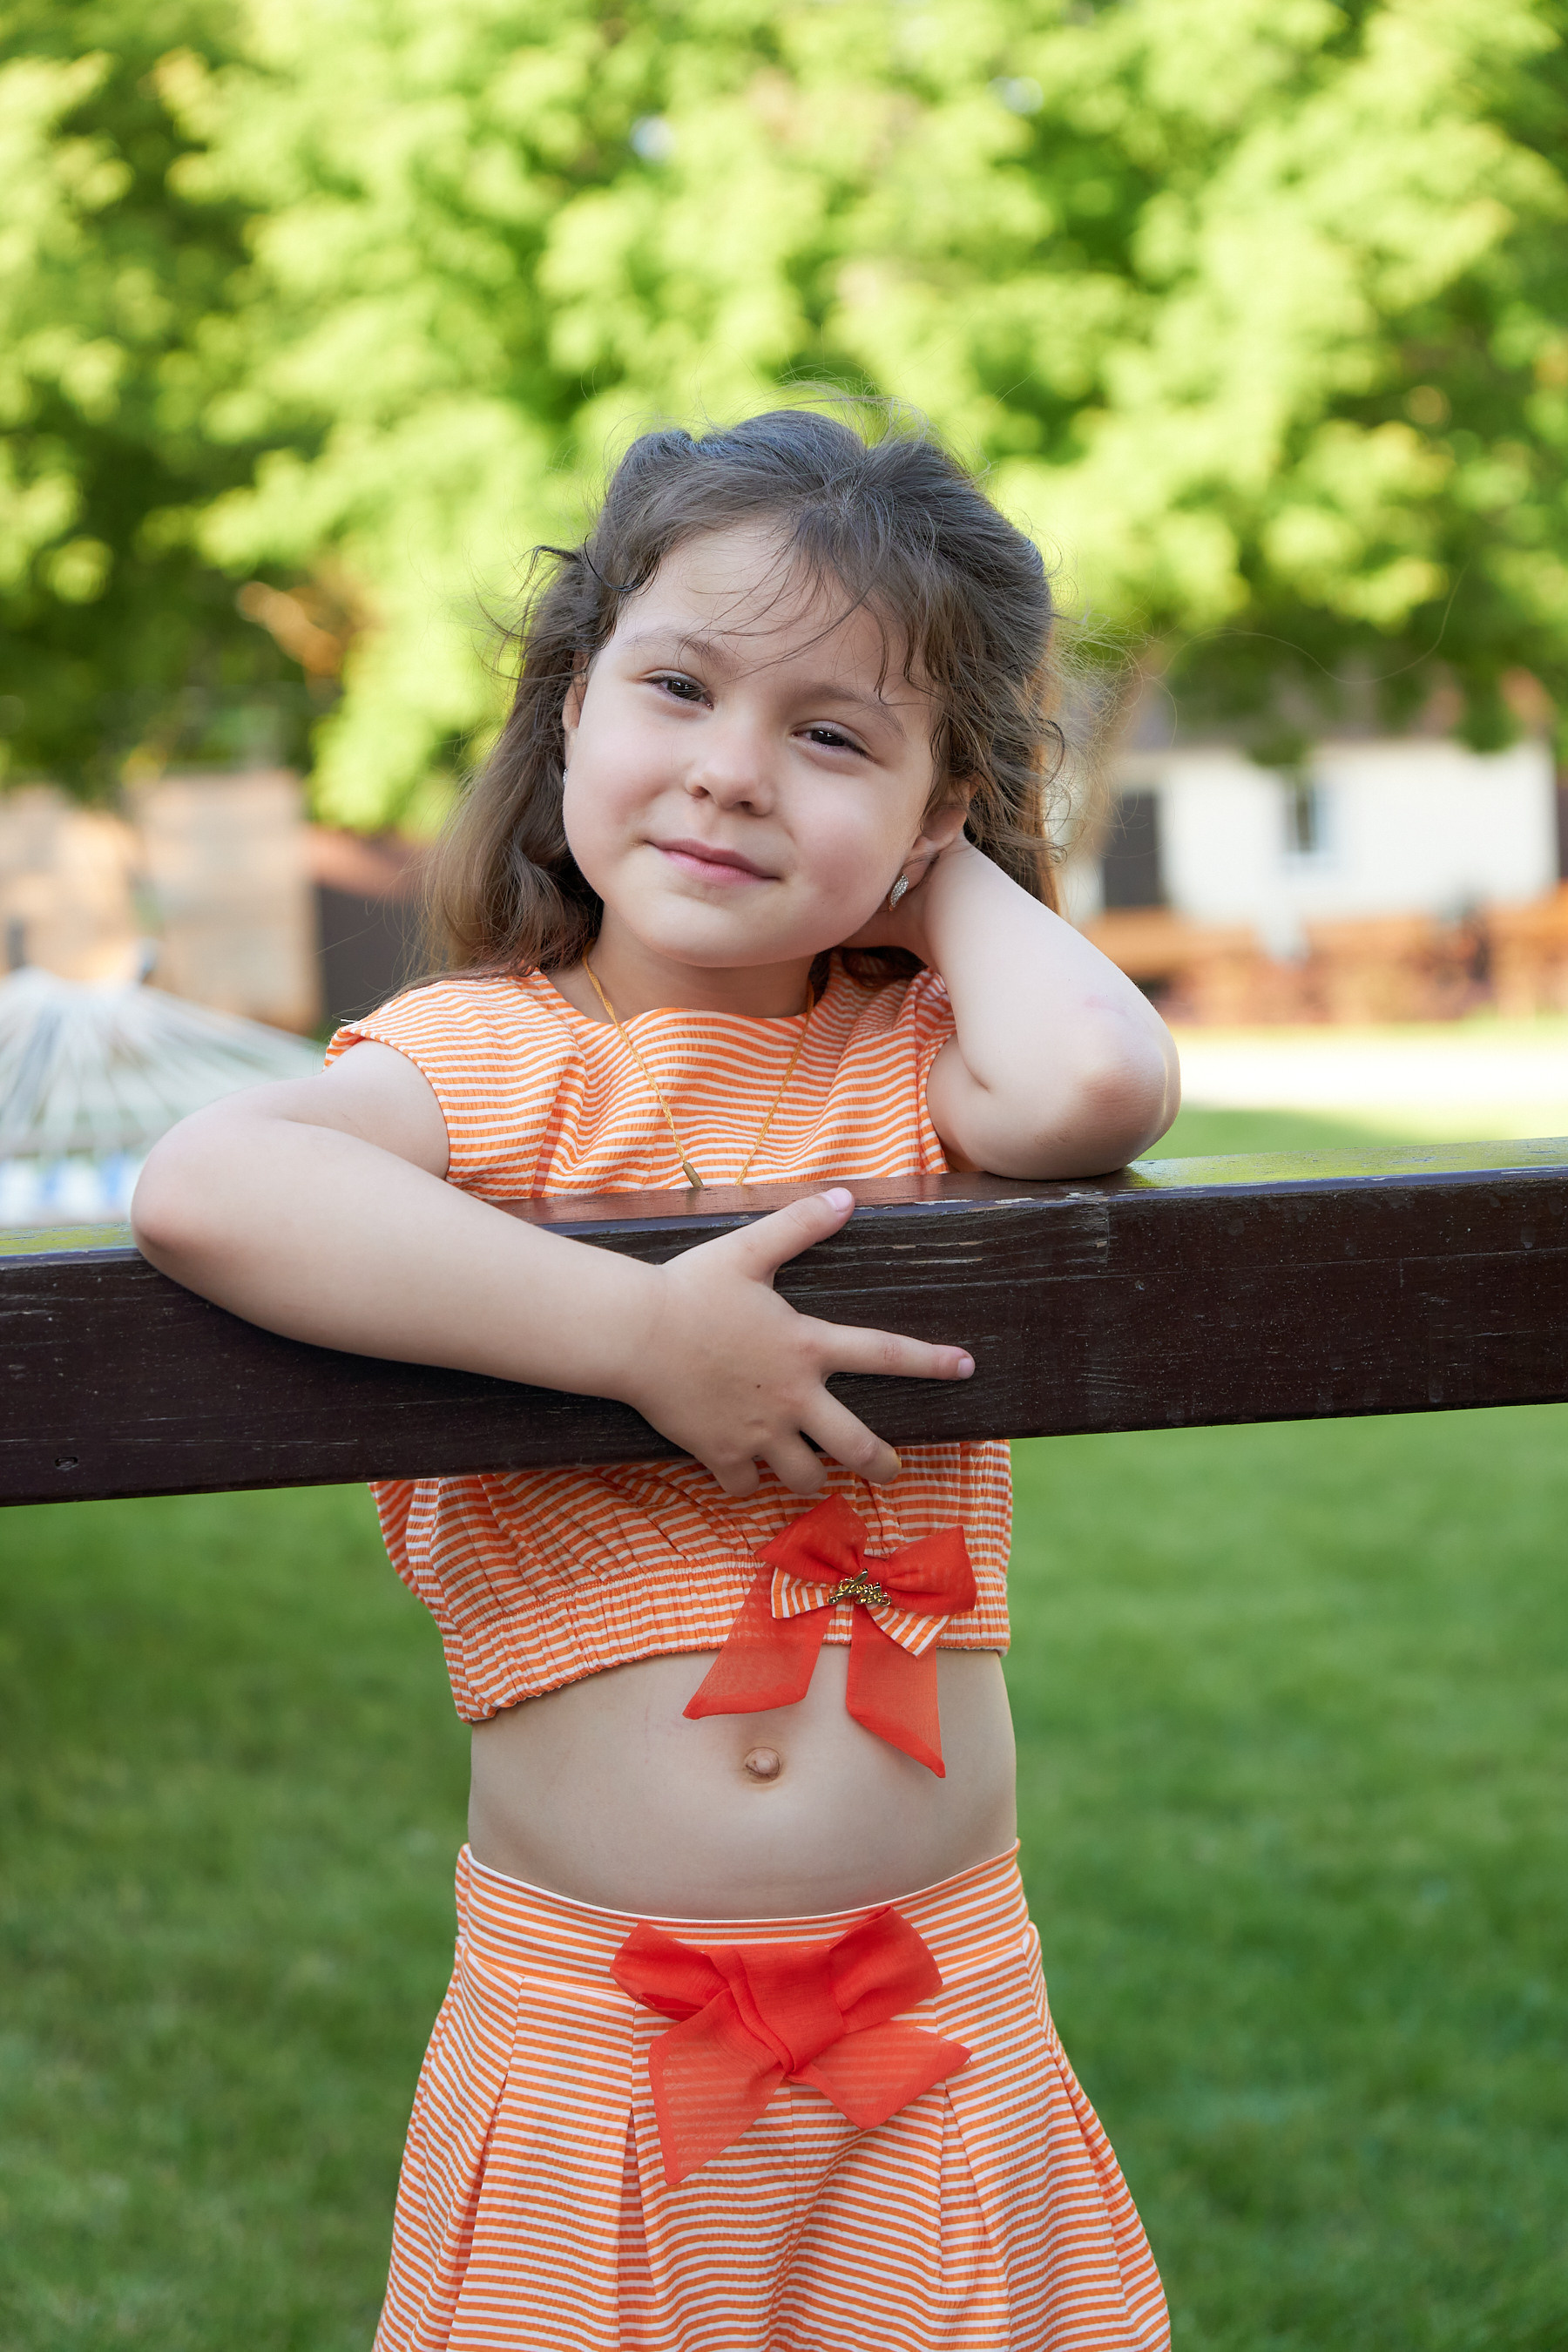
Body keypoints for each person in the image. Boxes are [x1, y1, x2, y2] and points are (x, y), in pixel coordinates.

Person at [133, 405, 1180, 2352]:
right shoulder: (498, 1059)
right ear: (570, 712)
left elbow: (1102, 1086)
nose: (731, 771)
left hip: (929, 2007)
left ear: (935, 817)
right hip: (597, 2034)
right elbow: (210, 1183)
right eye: (680, 687)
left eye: (834, 734)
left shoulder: (911, 1059)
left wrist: (933, 870)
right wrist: (637, 1338)